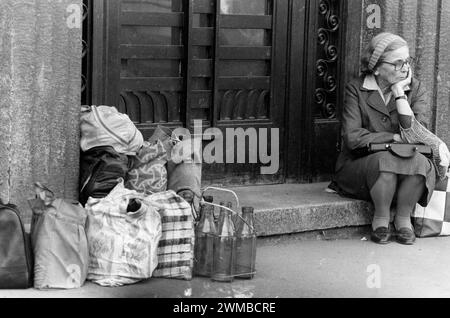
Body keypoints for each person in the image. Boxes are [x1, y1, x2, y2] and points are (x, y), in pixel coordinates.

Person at [333, 32, 438, 245]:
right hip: (360, 165)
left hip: (407, 161)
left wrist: (400, 94)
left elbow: (418, 134)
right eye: (398, 63)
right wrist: (394, 138)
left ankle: (403, 219)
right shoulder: (357, 88)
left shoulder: (415, 89)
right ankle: (380, 219)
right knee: (386, 161)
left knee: (421, 163)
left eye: (407, 61)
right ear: (377, 67)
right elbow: (353, 138)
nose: (405, 68)